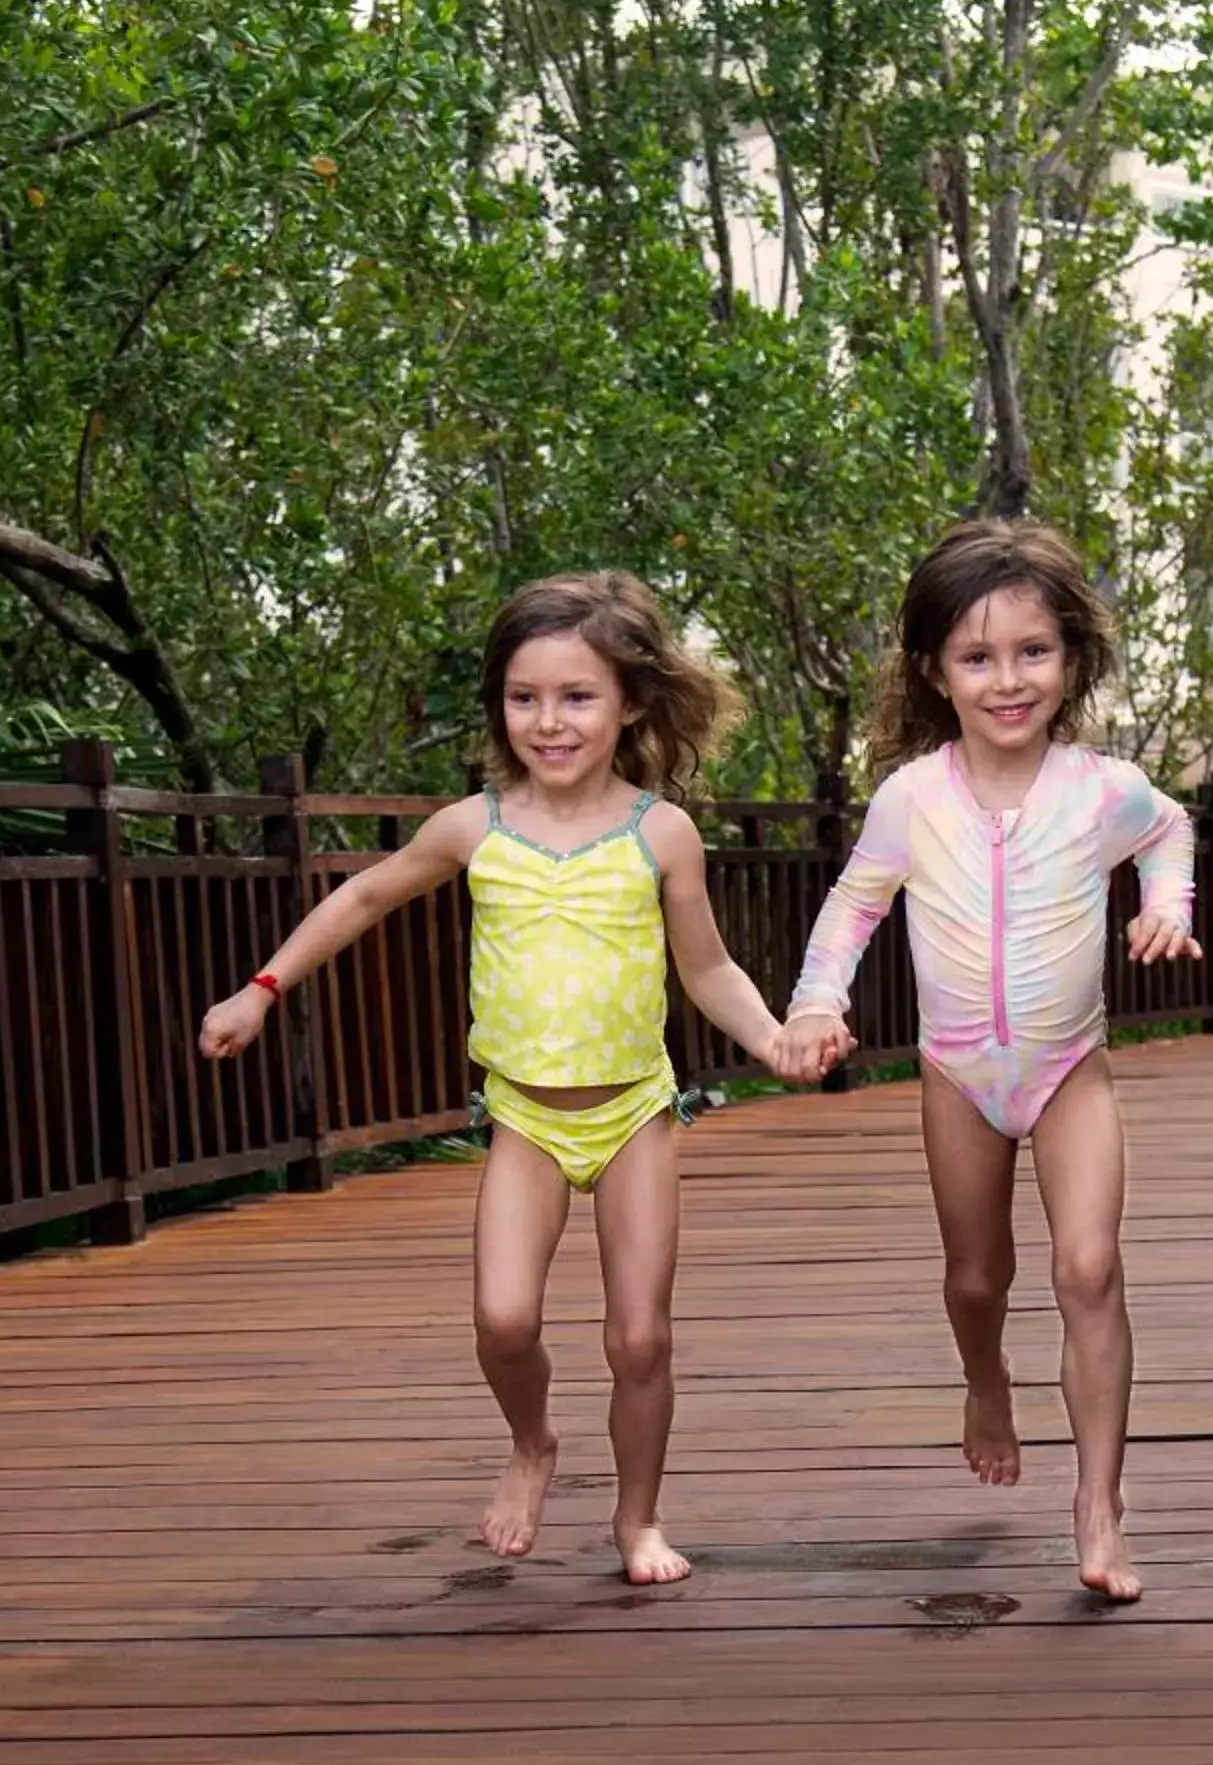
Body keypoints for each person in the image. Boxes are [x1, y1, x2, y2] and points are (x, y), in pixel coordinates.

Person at [200, 573, 785, 1587]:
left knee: (639, 1334)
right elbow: (364, 897)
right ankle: (533, 1440)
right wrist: (261, 988)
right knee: (504, 1319)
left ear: (631, 702)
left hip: (634, 1111)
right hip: (525, 1117)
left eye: (577, 696)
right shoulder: (474, 826)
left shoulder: (660, 833)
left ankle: (638, 1519)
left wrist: (774, 1037)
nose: (548, 721)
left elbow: (707, 968)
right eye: (524, 698)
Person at [772, 521, 1197, 1602]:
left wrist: (1165, 903)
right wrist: (819, 1000)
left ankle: (1099, 1504)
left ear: (1071, 659)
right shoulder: (912, 798)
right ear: (934, 671)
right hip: (959, 1073)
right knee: (976, 1278)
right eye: (977, 657)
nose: (1008, 679)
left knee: (1089, 1269)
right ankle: (986, 1378)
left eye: (1033, 652)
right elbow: (851, 909)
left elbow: (1171, 828)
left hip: (1069, 1071)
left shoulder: (1103, 789)